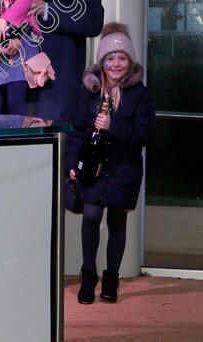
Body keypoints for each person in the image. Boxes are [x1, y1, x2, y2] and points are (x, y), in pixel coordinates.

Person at [65, 22, 155, 304]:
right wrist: (71, 163)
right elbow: (77, 130)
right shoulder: (89, 90)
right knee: (91, 217)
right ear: (102, 61)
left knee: (117, 222)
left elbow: (146, 135)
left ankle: (112, 279)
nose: (116, 64)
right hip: (92, 169)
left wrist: (112, 126)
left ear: (130, 62)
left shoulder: (140, 94)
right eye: (110, 58)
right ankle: (88, 275)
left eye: (122, 58)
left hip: (123, 170)